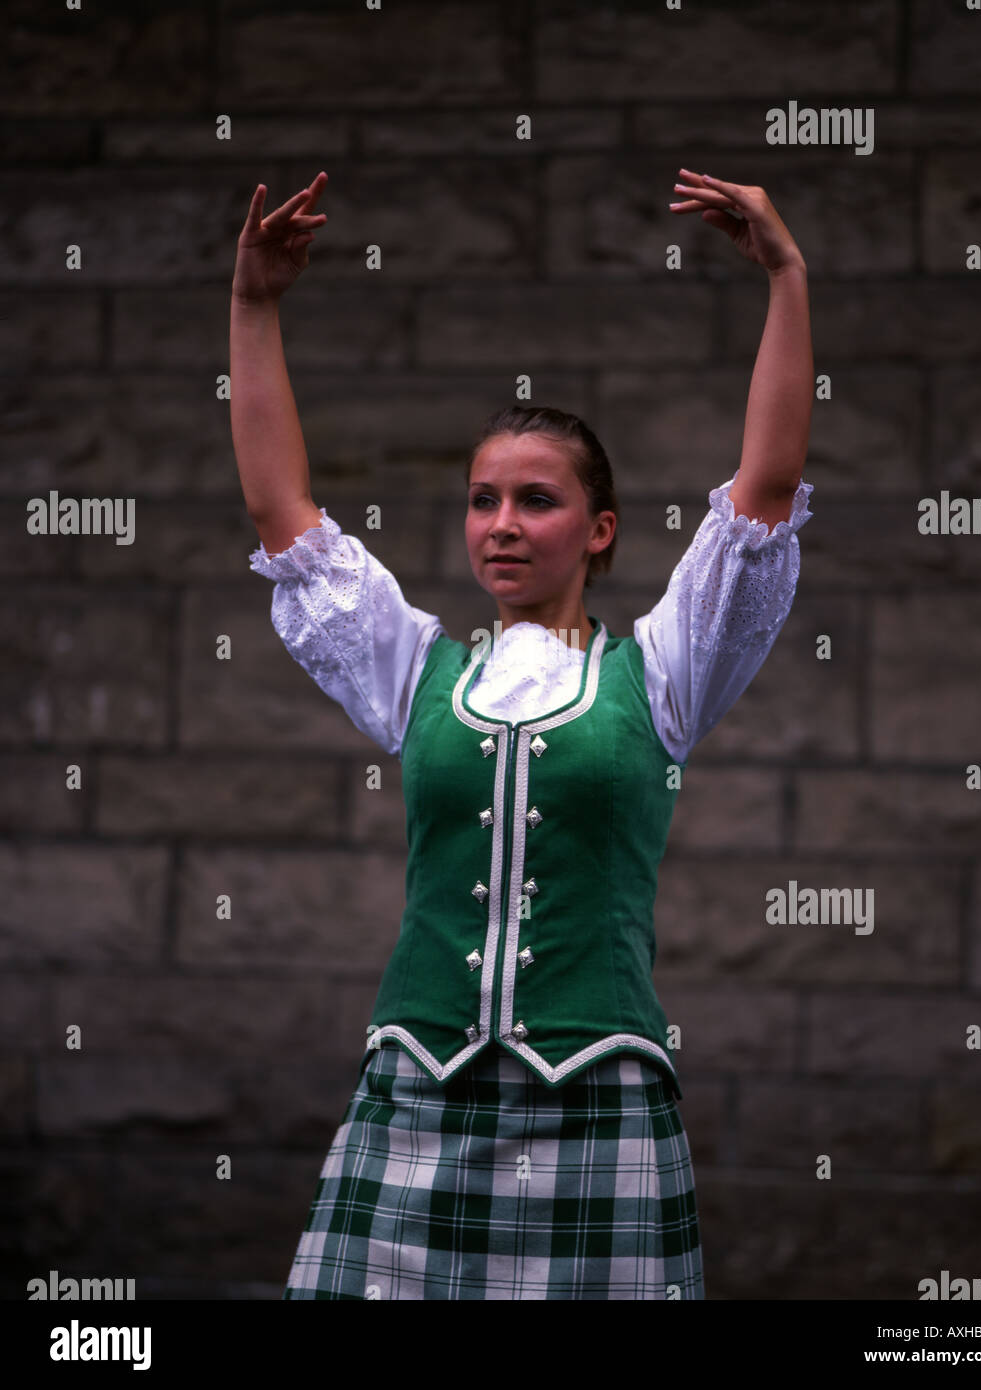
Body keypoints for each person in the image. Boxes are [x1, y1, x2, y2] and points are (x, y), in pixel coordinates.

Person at [230, 168, 814, 1301]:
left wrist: (785, 276)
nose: (500, 524)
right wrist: (253, 306)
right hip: (417, 1088)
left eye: (534, 500)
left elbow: (765, 489)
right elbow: (280, 514)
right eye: (481, 498)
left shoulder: (662, 673)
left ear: (598, 531)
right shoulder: (418, 669)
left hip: (595, 1093)